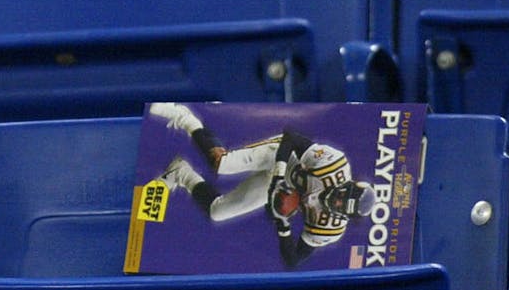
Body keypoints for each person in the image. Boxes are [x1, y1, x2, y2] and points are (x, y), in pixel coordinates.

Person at [148, 102, 375, 268]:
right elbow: (291, 138)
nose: (334, 201)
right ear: (347, 184)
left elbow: (293, 260)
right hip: (282, 159)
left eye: (339, 205)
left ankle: (181, 173)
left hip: (281, 188)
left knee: (218, 211)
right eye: (340, 196)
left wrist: (283, 223)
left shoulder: (331, 228)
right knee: (222, 164)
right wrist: (278, 174)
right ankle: (185, 118)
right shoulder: (334, 164)